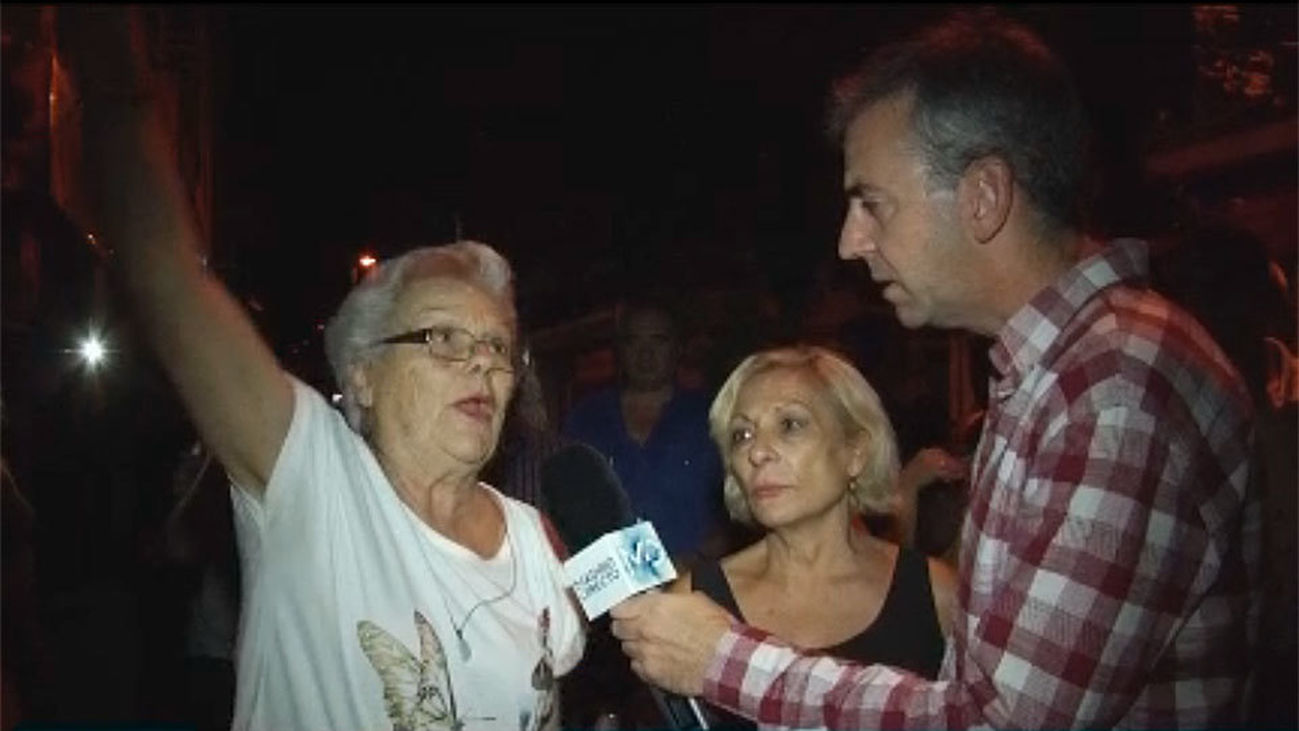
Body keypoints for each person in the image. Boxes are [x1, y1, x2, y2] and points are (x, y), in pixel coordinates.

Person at [611, 10, 1259, 729]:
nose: (850, 241)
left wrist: (725, 661)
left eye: (871, 203)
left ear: (981, 196)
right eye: (740, 433)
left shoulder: (1112, 394)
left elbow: (998, 721)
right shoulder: (1054, 377)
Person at [62, 8, 582, 730]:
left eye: (497, 346)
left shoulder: (532, 537)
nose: (481, 364)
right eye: (441, 337)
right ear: (361, 374)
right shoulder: (315, 480)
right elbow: (168, 276)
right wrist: (119, 87)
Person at [676, 345, 956, 730]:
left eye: (790, 425)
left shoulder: (936, 593)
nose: (757, 451)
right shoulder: (693, 601)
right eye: (742, 434)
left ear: (855, 452)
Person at [562, 295, 726, 566]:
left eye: (658, 340)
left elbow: (738, 514)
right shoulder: (586, 419)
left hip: (696, 589)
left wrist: (691, 562)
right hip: (605, 590)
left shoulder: (711, 418)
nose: (646, 354)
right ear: (619, 350)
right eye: (633, 341)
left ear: (678, 348)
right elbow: (566, 512)